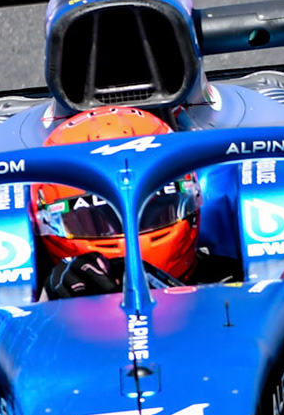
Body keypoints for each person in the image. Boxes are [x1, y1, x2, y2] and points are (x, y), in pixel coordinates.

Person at [33, 107, 201, 298]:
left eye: (154, 211)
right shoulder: (37, 306)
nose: (127, 240)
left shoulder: (233, 280)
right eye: (96, 222)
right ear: (46, 221)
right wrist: (47, 302)